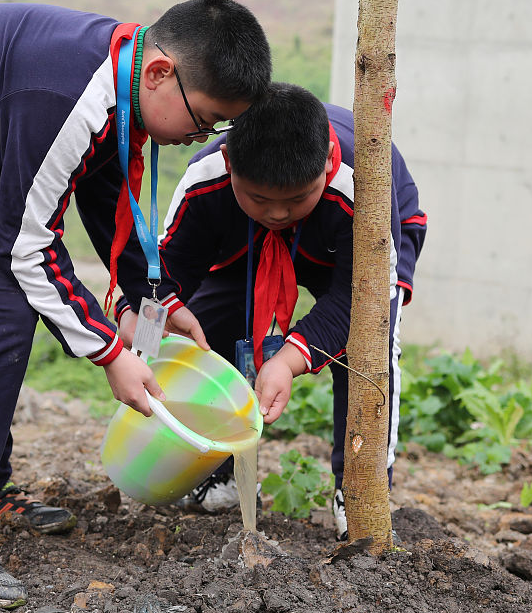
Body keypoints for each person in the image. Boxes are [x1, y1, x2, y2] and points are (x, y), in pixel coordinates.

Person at [0, 0, 271, 608]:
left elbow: (108, 193)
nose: (202, 137)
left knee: (5, 313)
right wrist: (109, 350)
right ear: (162, 72)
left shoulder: (123, 77)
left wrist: (150, 298)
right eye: (207, 119)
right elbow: (27, 247)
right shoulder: (71, 96)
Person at [116, 83, 427, 540]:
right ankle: (214, 470)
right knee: (203, 325)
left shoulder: (361, 189)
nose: (278, 213)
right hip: (241, 243)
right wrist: (140, 349)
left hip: (352, 249)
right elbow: (164, 278)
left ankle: (360, 495)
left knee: (370, 348)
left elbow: (358, 301)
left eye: (295, 200)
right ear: (229, 166)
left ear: (327, 166)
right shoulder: (208, 179)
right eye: (261, 199)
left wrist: (288, 358)